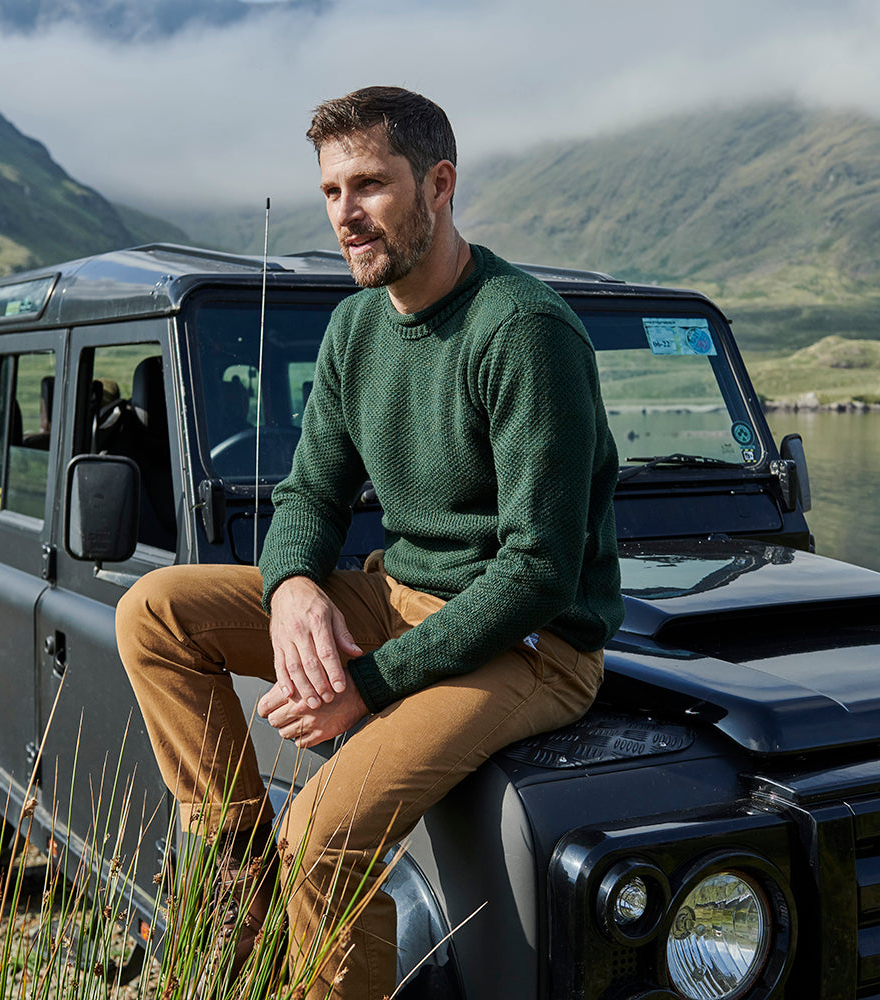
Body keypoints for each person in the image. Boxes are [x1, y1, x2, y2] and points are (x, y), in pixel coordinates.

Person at [116, 85, 623, 999]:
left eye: (370, 185)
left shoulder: (524, 331)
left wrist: (368, 687)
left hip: (532, 644)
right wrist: (293, 588)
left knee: (321, 838)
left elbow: (539, 569)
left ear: (439, 184)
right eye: (331, 191)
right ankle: (238, 881)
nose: (347, 214)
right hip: (398, 597)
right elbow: (312, 491)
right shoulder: (355, 326)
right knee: (154, 612)